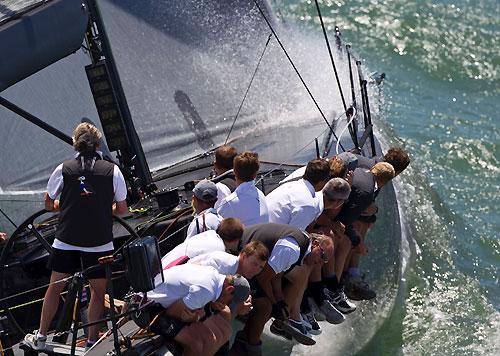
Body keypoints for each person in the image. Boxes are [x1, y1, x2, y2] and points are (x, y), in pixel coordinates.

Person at [24, 123, 127, 351]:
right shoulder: (113, 171)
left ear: (76, 145)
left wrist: (64, 204)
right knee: (98, 292)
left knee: (54, 287)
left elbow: (49, 204)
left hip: (67, 240)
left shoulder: (63, 168)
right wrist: (103, 208)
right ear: (99, 145)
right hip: (99, 242)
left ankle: (41, 336)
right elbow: (121, 208)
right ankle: (91, 340)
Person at [230, 223, 334, 354]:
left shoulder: (301, 246)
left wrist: (280, 301)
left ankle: (245, 343)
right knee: (265, 306)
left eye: (325, 261)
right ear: (314, 245)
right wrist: (274, 303)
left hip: (254, 260)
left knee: (271, 305)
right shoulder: (293, 249)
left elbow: (276, 277)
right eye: (323, 256)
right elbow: (263, 277)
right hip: (239, 255)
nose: (321, 262)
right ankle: (249, 349)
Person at [143, 264, 249, 356]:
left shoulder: (213, 274)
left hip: (157, 301)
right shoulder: (207, 291)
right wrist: (194, 319)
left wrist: (195, 317)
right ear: (229, 289)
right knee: (196, 344)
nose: (225, 304)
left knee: (208, 339)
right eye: (229, 302)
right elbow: (171, 313)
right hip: (148, 308)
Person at [336, 162, 395, 300]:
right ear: (383, 184)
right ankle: (336, 286)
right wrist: (358, 243)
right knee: (346, 242)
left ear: (373, 168)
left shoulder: (359, 172)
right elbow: (344, 222)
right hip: (330, 218)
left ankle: (346, 275)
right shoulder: (366, 193)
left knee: (362, 225)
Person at [266, 158, 330, 229]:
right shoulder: (307, 205)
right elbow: (293, 236)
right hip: (268, 235)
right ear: (322, 181)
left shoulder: (289, 185)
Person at [161, 217, 244, 269]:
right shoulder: (219, 251)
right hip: (168, 274)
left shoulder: (209, 234)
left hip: (162, 268)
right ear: (236, 241)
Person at [217, 151, 269, 226]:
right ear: (256, 174)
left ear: (234, 171)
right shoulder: (261, 195)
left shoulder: (229, 202)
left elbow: (217, 226)